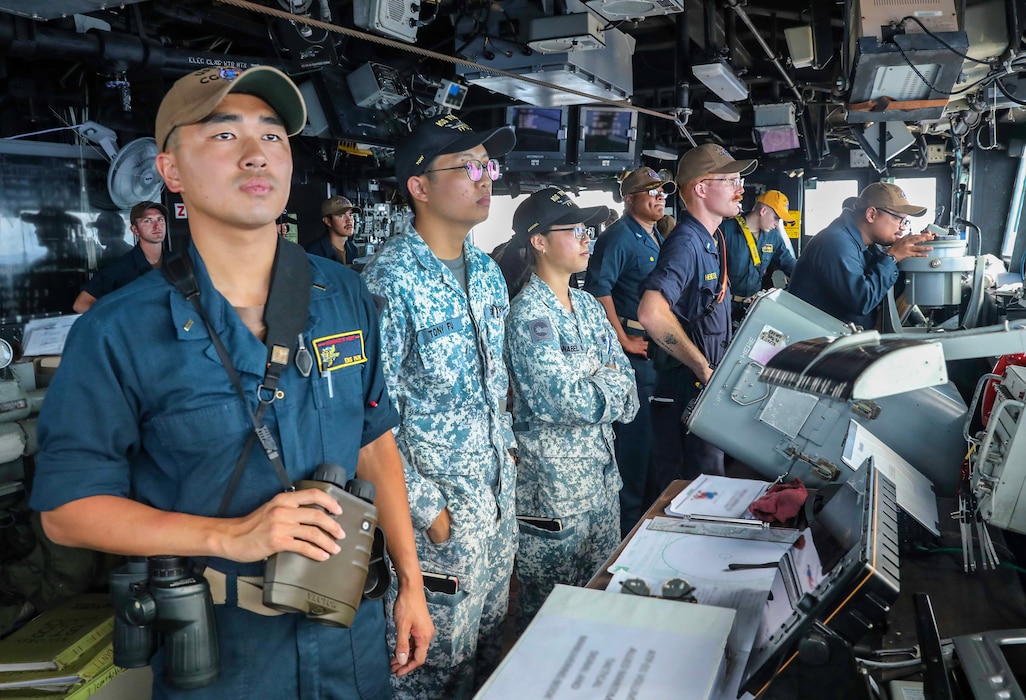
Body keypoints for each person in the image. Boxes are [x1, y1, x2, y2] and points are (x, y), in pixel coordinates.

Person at [29, 65, 432, 700]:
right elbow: (66, 512)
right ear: (171, 172)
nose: (255, 154)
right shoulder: (117, 331)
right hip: (224, 658)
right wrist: (229, 537)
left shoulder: (345, 296)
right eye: (222, 135)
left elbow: (375, 446)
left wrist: (411, 581)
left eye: (273, 137)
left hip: (347, 637)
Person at [361, 114, 519, 699]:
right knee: (425, 679)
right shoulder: (389, 280)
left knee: (481, 664)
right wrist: (432, 512)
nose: (485, 179)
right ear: (419, 187)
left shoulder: (487, 273)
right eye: (468, 167)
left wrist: (508, 462)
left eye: (489, 166)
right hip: (434, 529)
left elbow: (492, 389)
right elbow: (369, 418)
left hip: (495, 513)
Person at [501, 187, 638, 634]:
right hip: (554, 496)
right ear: (538, 241)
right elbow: (558, 400)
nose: (588, 239)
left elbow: (628, 385)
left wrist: (600, 388)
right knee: (549, 621)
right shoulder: (527, 316)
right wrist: (605, 388)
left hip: (600, 482)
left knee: (599, 604)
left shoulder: (586, 306)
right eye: (575, 230)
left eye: (589, 229)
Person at [637, 143, 756, 482]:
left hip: (702, 388)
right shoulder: (687, 243)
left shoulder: (711, 239)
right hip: (685, 390)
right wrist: (702, 367)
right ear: (702, 189)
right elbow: (651, 312)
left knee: (711, 481)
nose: (740, 188)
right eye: (730, 180)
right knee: (693, 490)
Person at [583, 166, 675, 535]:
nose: (660, 197)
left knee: (653, 445)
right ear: (629, 198)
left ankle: (645, 521)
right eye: (650, 191)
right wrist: (623, 340)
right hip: (634, 359)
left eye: (663, 191)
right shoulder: (619, 237)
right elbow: (599, 290)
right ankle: (626, 526)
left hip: (655, 353)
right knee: (635, 447)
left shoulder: (653, 236)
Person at [788, 182, 935, 329]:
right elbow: (861, 301)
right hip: (815, 343)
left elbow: (882, 288)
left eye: (905, 221)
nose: (903, 227)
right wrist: (892, 257)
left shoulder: (866, 244)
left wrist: (910, 252)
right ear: (871, 214)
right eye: (898, 219)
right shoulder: (836, 242)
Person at [73, 201, 168, 313]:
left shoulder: (179, 262)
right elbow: (81, 304)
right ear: (135, 230)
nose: (157, 226)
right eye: (148, 221)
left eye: (160, 219)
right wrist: (122, 321)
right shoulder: (120, 267)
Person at [722, 190, 798, 322]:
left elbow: (789, 264)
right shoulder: (725, 231)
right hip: (725, 307)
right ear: (763, 211)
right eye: (776, 218)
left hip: (752, 307)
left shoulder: (773, 238)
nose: (777, 224)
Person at [306, 195, 361, 266]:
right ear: (327, 221)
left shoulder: (353, 250)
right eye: (341, 215)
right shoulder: (314, 254)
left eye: (350, 214)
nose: (349, 220)